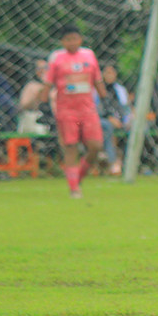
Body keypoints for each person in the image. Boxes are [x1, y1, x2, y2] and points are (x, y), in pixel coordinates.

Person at [42, 25, 107, 198]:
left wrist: (105, 97)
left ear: (80, 39)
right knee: (71, 147)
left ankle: (77, 177)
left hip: (88, 110)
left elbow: (98, 79)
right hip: (67, 110)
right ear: (62, 42)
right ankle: (74, 188)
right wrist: (42, 103)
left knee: (95, 146)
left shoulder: (89, 55)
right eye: (68, 39)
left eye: (75, 38)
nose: (72, 42)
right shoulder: (57, 58)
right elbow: (48, 83)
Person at [98, 64, 132, 175]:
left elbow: (126, 107)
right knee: (108, 126)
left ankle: (130, 162)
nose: (110, 75)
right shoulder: (98, 89)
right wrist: (110, 117)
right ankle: (113, 162)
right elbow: (96, 109)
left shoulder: (120, 89)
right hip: (102, 119)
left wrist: (129, 118)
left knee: (136, 126)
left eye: (112, 72)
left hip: (121, 119)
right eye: (107, 72)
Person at [18, 59, 53, 135]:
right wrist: (38, 94)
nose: (44, 71)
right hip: (34, 117)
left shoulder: (56, 85)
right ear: (36, 72)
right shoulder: (31, 86)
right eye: (40, 68)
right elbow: (24, 106)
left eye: (46, 68)